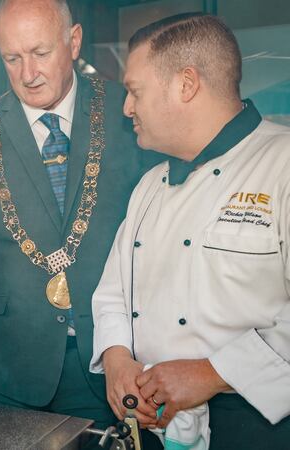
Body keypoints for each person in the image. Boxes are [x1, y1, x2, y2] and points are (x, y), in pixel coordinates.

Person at [0, 0, 160, 428]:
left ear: (73, 42)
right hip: (6, 365)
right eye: (12, 58)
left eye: (40, 53)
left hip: (111, 362)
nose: (28, 74)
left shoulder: (127, 111)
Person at [91, 13, 290, 449]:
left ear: (186, 84)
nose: (127, 108)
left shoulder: (283, 164)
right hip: (156, 428)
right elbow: (113, 294)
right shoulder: (149, 185)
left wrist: (213, 373)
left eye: (135, 91)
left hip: (259, 427)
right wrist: (117, 359)